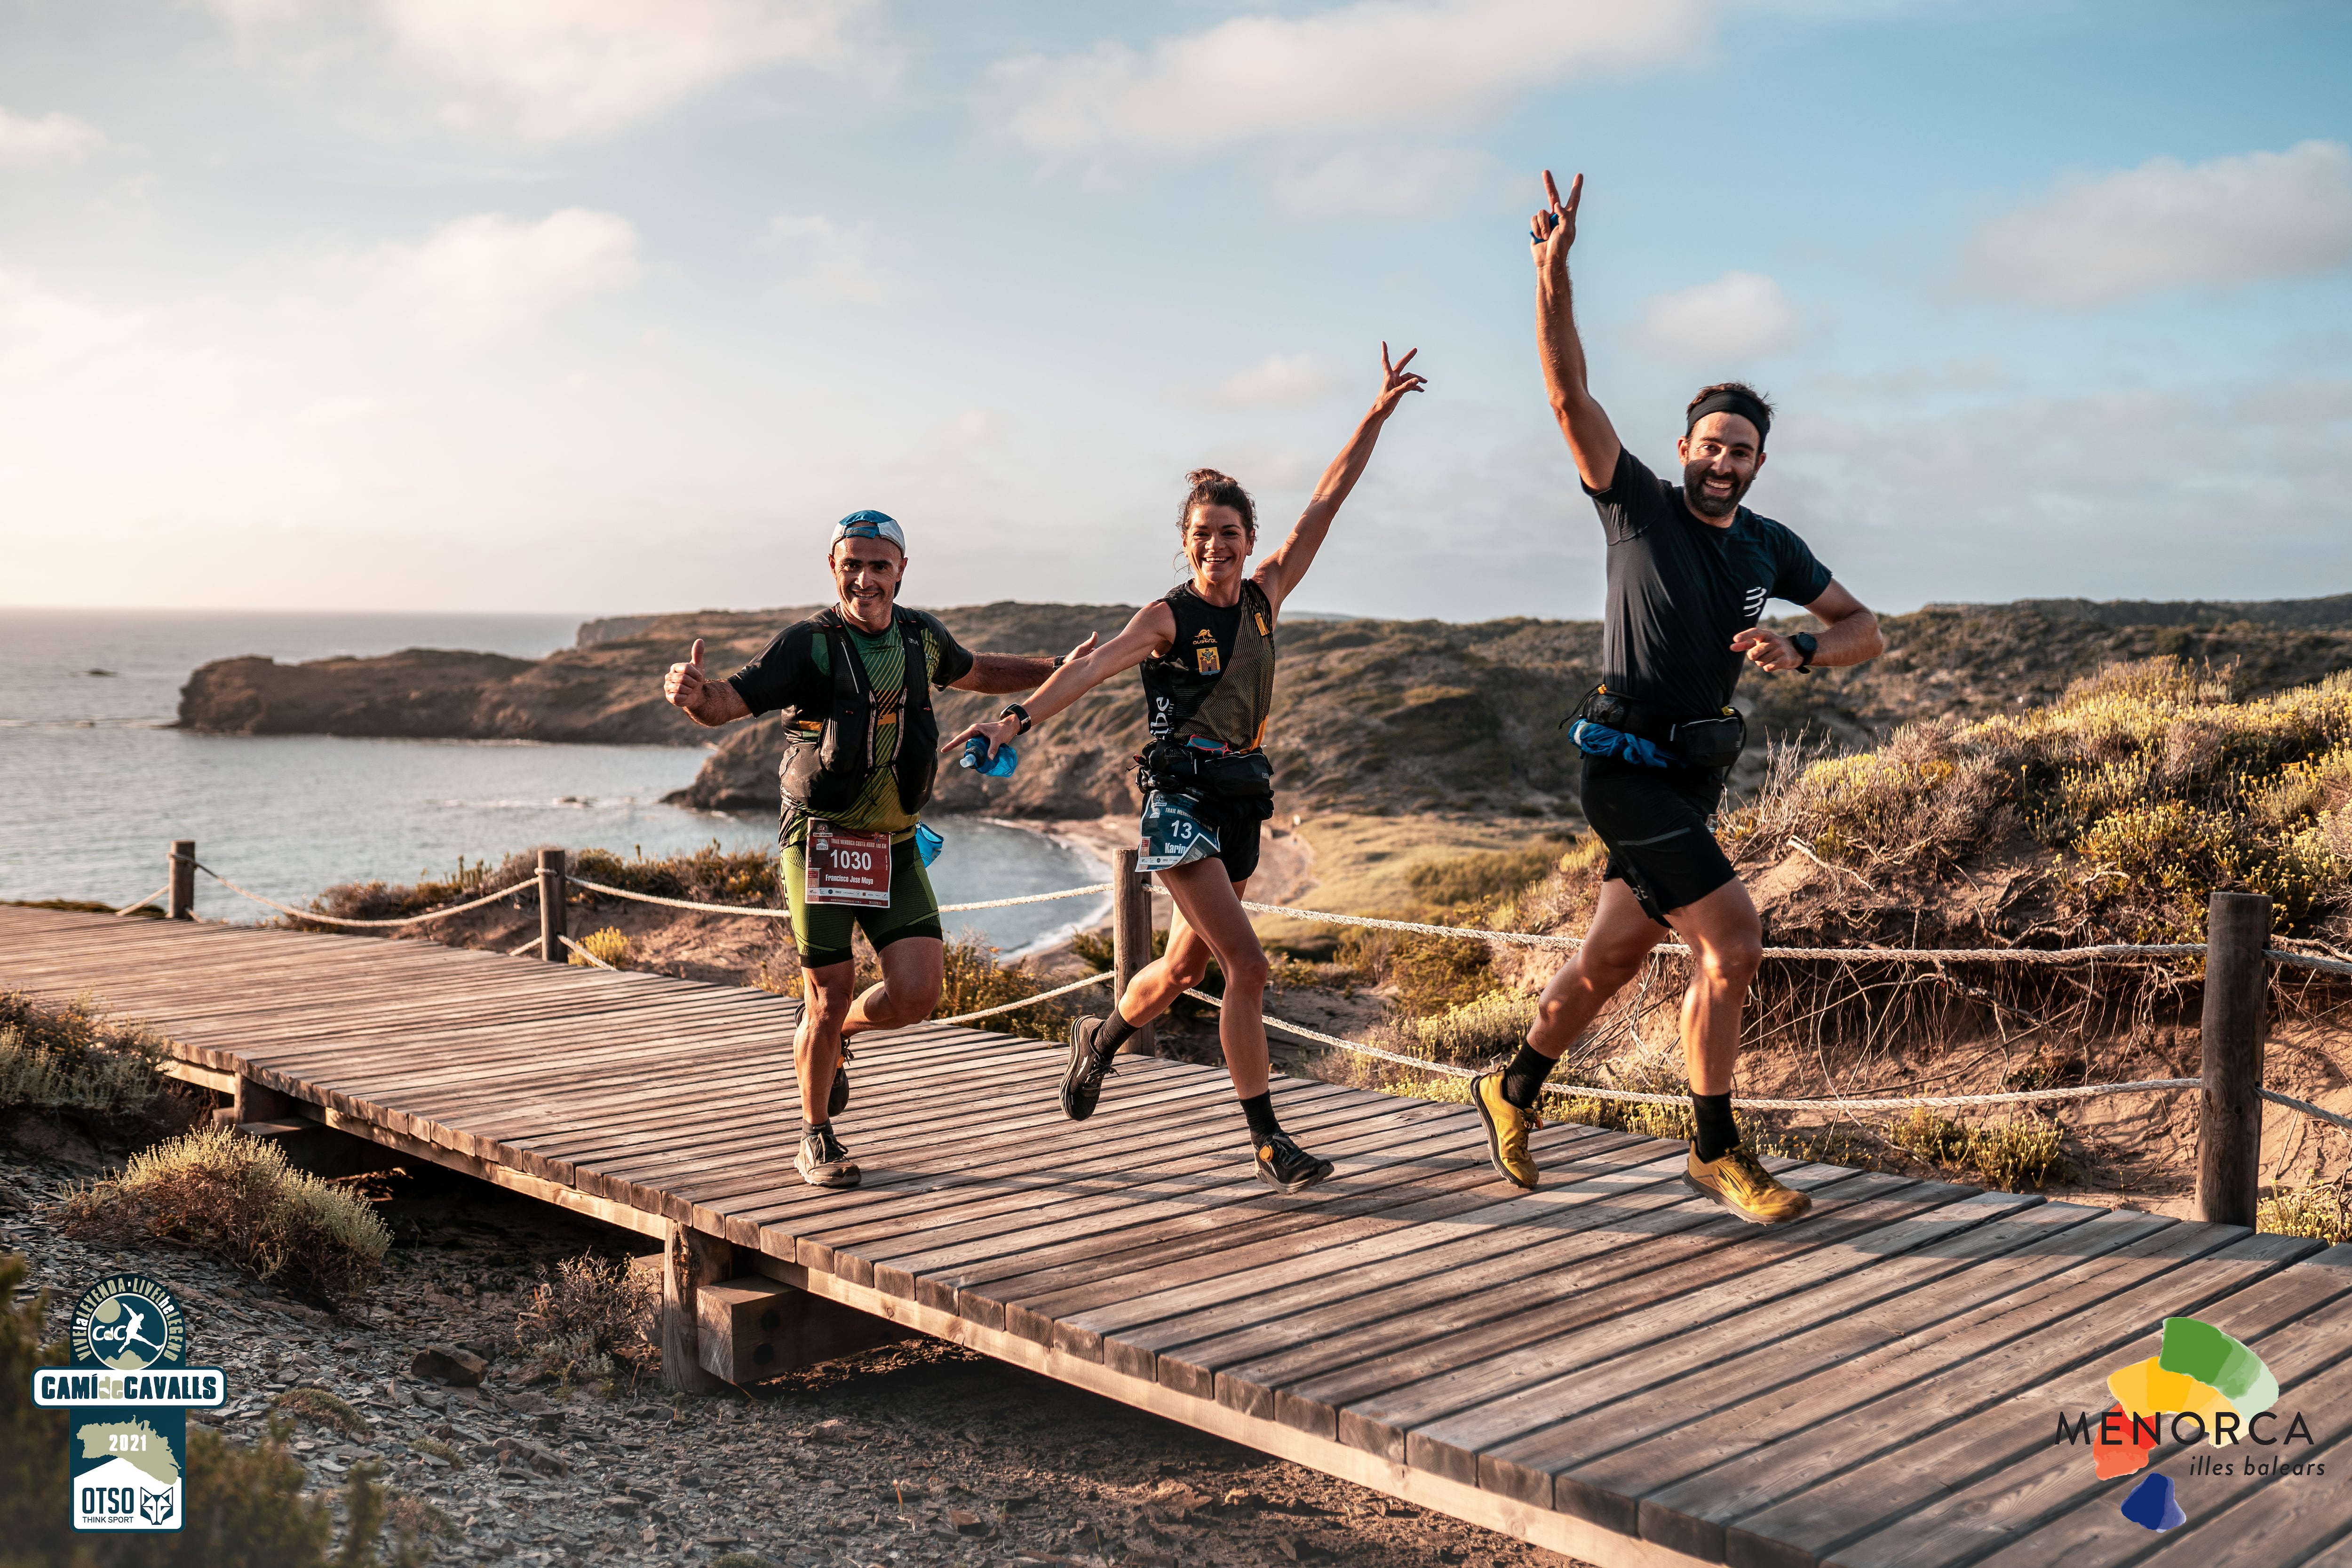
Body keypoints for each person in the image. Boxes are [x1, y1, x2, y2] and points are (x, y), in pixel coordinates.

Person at [1473, 170, 1885, 1222]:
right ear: (1684, 447)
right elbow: (1568, 394)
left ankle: (1509, 1085)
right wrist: (1551, 272)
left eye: (1741, 450)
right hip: (1622, 767)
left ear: (1756, 463)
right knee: (1733, 942)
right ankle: (1714, 1148)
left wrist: (1800, 649)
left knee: (1611, 957)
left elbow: (1865, 630)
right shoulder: (1637, 509)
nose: (1723, 462)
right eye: (1710, 444)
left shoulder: (1768, 545)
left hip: (1697, 778)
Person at [942, 344, 1428, 1194]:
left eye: (1230, 534)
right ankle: (1270, 1140)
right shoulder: (1165, 618)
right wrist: (1016, 715)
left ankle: (1098, 1041)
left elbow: (1327, 499)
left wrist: (1375, 415)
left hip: (1242, 799)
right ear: (1185, 542)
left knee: (1181, 971)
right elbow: (1089, 671)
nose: (1217, 547)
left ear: (1248, 541)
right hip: (1179, 805)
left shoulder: (1268, 595)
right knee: (1251, 966)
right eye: (1201, 535)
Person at [662, 510, 1092, 1189]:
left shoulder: (921, 636)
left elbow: (979, 670)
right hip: (821, 843)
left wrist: (1058, 667)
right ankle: (815, 1136)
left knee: (918, 993)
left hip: (893, 843)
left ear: (901, 570)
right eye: (852, 564)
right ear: (834, 568)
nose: (865, 577)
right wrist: (693, 696)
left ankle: (837, 1040)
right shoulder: (807, 645)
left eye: (879, 564)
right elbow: (726, 702)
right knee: (829, 994)